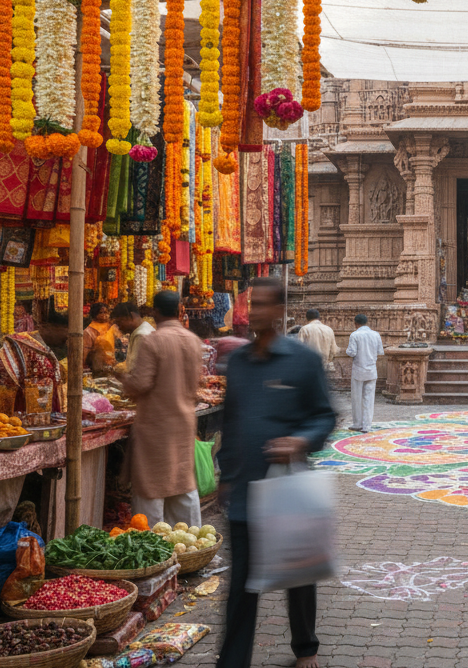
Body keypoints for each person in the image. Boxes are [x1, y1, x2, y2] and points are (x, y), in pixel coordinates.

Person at [216, 277, 336, 668]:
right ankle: (233, 661)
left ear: (283, 310)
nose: (257, 312)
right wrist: (225, 475)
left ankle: (305, 647)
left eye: (266, 304)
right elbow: (231, 421)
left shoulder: (302, 361)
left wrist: (300, 441)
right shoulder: (238, 362)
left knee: (299, 573)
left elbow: (324, 416)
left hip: (287, 488)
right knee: (241, 587)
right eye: (253, 304)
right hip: (246, 490)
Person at [119, 291, 204, 528]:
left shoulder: (153, 340)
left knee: (151, 486)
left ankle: (153, 545)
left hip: (157, 425)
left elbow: (140, 383)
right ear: (179, 311)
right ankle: (191, 541)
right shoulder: (192, 339)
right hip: (184, 421)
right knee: (182, 482)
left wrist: (122, 378)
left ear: (155, 312)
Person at [345, 314, 383, 433]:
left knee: (357, 397)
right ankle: (367, 425)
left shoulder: (355, 335)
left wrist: (345, 351)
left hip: (359, 370)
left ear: (356, 323)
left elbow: (351, 352)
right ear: (366, 322)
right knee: (369, 398)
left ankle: (357, 423)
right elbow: (380, 351)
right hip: (371, 370)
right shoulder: (376, 335)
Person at [111, 302, 155, 370]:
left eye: (119, 322)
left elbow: (138, 370)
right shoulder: (141, 330)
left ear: (131, 316)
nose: (119, 327)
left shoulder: (142, 335)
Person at [298, 309, 338, 373]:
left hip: (309, 366)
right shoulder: (329, 329)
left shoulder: (305, 329)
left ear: (307, 318)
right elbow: (333, 351)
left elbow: (299, 350)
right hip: (324, 366)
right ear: (319, 318)